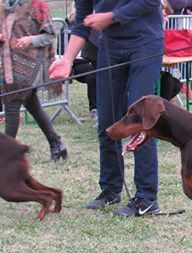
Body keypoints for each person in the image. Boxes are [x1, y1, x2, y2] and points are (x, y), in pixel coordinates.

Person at [49, 0, 164, 217]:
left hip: (145, 42)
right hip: (110, 47)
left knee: (141, 120)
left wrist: (111, 17)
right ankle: (111, 189)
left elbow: (150, 2)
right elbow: (83, 22)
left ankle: (147, 197)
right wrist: (66, 59)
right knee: (107, 121)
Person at [0, 0, 67, 162]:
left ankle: (6, 156)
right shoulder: (2, 5)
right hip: (8, 65)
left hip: (29, 65)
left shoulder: (37, 5)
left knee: (12, 106)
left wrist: (31, 40)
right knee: (32, 105)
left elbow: (50, 33)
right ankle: (57, 144)